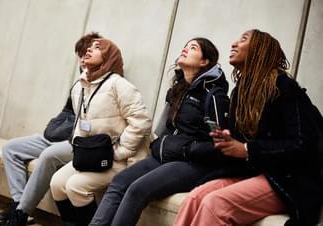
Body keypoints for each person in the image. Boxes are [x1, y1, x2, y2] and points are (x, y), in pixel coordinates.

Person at [173, 29, 323, 226]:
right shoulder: (240, 92)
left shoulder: (284, 87)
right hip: (253, 173)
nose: (234, 43)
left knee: (215, 204)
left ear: (260, 50)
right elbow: (243, 145)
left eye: (243, 39)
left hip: (286, 179)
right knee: (193, 199)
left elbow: (302, 143)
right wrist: (229, 142)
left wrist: (245, 149)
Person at [89, 37, 241, 226]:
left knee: (137, 190)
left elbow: (220, 145)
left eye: (192, 48)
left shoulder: (215, 96)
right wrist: (158, 144)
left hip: (192, 162)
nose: (185, 49)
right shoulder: (179, 89)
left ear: (204, 61)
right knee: (119, 181)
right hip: (165, 155)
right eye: (185, 46)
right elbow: (165, 128)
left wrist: (187, 149)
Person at [0, 32, 102, 226]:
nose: (83, 58)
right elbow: (66, 113)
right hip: (57, 137)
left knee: (48, 155)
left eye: (88, 52)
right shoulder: (79, 83)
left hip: (77, 143)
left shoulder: (107, 83)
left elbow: (91, 124)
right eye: (80, 54)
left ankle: (22, 213)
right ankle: (17, 203)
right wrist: (53, 128)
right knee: (11, 148)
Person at [49, 38, 152, 226]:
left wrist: (119, 152)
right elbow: (81, 124)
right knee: (57, 183)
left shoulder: (119, 84)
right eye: (89, 47)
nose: (88, 50)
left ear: (109, 57)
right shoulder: (79, 87)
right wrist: (81, 151)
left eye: (97, 48)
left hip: (122, 160)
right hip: (93, 157)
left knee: (75, 186)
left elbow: (142, 121)